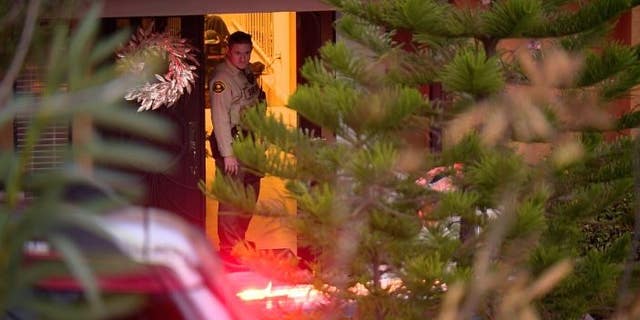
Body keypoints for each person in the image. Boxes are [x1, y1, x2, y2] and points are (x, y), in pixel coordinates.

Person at [208, 31, 264, 268]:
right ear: (228, 51)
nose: (243, 58)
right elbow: (220, 118)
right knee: (232, 200)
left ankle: (239, 242)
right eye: (238, 53)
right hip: (232, 143)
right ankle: (230, 250)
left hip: (250, 142)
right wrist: (228, 153)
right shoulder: (222, 79)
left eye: (247, 53)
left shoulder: (246, 72)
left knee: (250, 194)